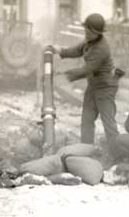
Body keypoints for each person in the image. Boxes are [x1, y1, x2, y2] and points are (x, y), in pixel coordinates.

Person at [51, 13, 120, 158]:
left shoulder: (102, 48)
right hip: (93, 85)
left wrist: (66, 76)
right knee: (87, 121)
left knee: (109, 124)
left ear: (98, 33)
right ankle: (86, 152)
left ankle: (118, 156)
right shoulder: (89, 41)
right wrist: (60, 51)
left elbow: (88, 69)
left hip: (106, 87)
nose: (87, 34)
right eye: (86, 30)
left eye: (91, 32)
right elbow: (77, 50)